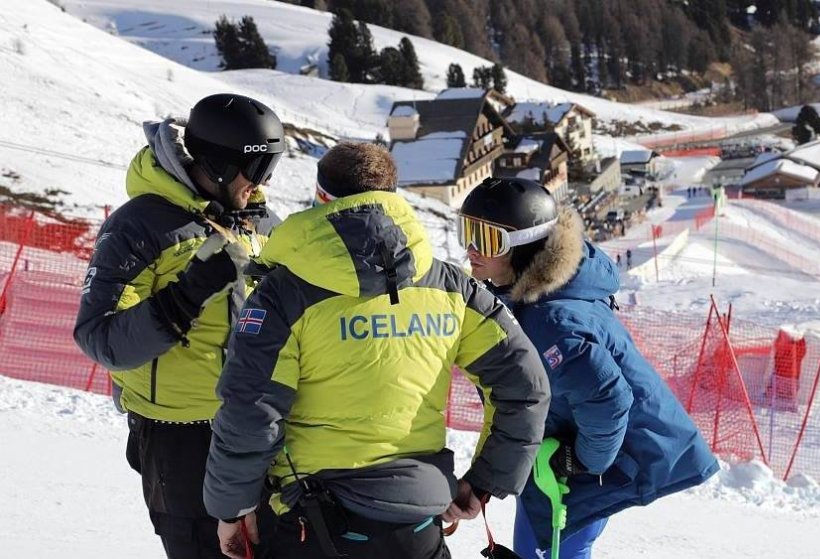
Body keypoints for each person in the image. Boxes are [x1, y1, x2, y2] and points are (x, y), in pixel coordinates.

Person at [203, 143, 551, 559]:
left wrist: (232, 509)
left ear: (323, 197)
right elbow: (524, 385)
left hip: (311, 522)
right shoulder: (451, 287)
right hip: (417, 524)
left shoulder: (284, 293)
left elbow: (250, 408)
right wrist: (484, 481)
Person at [458, 177, 719, 559]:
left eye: (488, 238)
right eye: (467, 230)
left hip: (591, 463)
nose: (471, 248)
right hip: (554, 456)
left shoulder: (550, 319)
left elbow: (609, 398)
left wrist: (583, 461)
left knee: (552, 549)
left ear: (525, 245)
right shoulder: (525, 293)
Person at [74, 93, 286, 558]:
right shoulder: (141, 225)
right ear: (219, 165)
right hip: (180, 435)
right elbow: (99, 336)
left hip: (257, 425)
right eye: (257, 170)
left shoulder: (262, 223)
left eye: (270, 169)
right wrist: (185, 296)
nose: (263, 183)